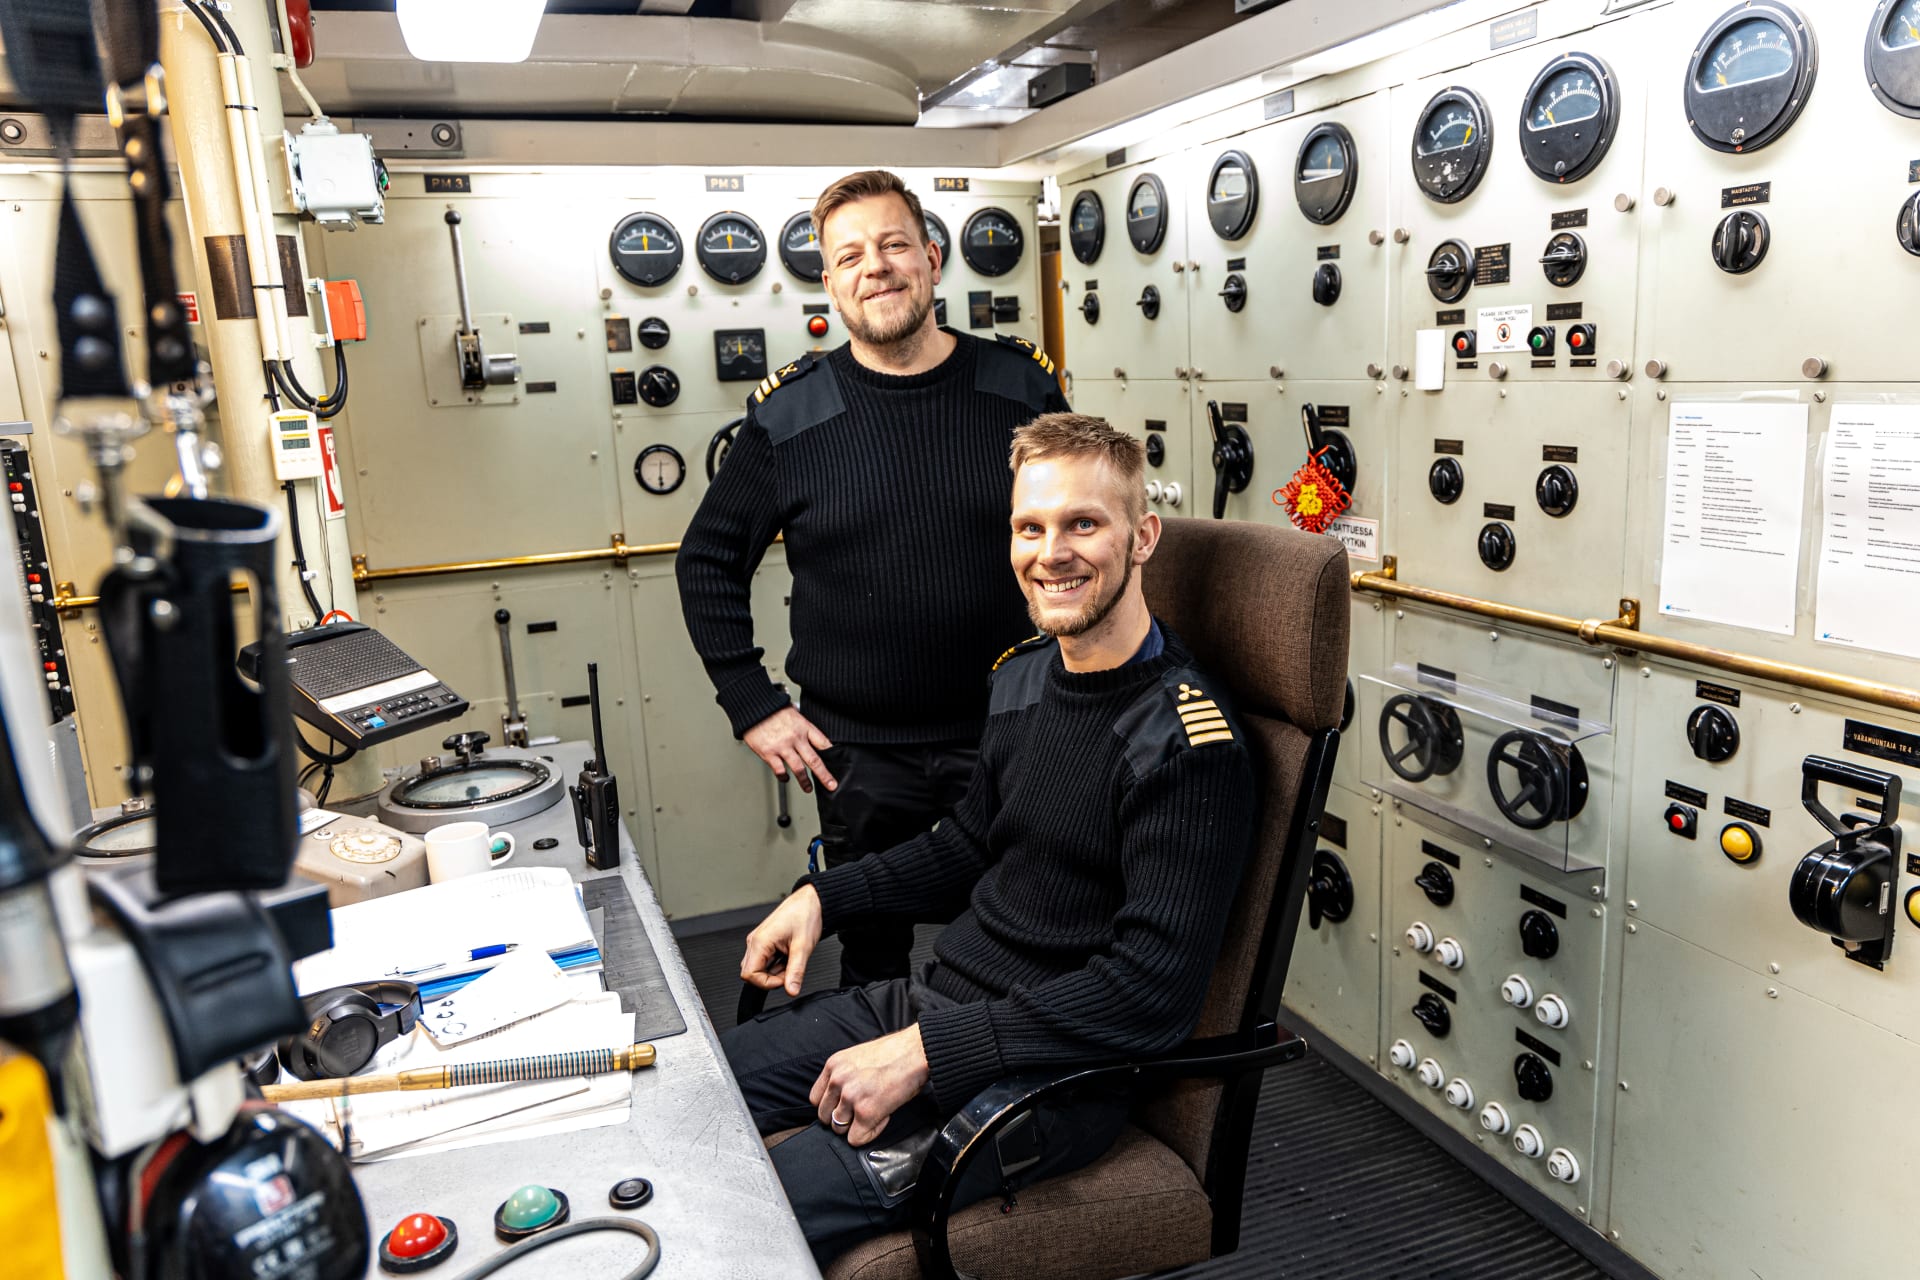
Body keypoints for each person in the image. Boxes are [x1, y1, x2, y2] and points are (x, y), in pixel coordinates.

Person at [721, 413, 1259, 1266]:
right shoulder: (1024, 676)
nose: (1053, 552)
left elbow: (1147, 992)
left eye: (1084, 523)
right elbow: (970, 846)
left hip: (1050, 1081)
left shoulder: (1186, 747)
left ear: (1143, 535)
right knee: (689, 1099)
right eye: (1030, 527)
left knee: (739, 1219)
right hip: (939, 1010)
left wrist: (929, 1053)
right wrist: (824, 894)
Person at [677, 169, 1070, 989]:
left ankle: (993, 1102)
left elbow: (1073, 536)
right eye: (851, 255)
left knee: (1020, 936)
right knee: (872, 947)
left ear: (931, 257)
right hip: (857, 751)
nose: (876, 266)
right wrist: (755, 706)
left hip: (1006, 728)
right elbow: (707, 559)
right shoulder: (790, 415)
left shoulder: (1020, 390)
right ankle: (871, 1105)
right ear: (830, 282)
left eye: (894, 245)